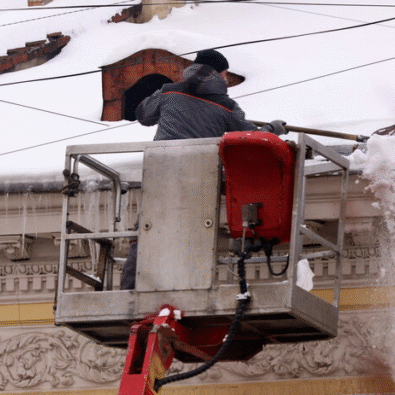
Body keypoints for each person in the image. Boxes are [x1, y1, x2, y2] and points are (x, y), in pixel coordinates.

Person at [121, 49, 286, 289]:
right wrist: (273, 128)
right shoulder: (228, 107)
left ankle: (130, 288)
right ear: (222, 73)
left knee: (146, 232)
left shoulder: (170, 91)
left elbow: (143, 115)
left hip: (161, 173)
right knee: (190, 233)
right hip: (198, 180)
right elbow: (251, 138)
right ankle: (184, 286)